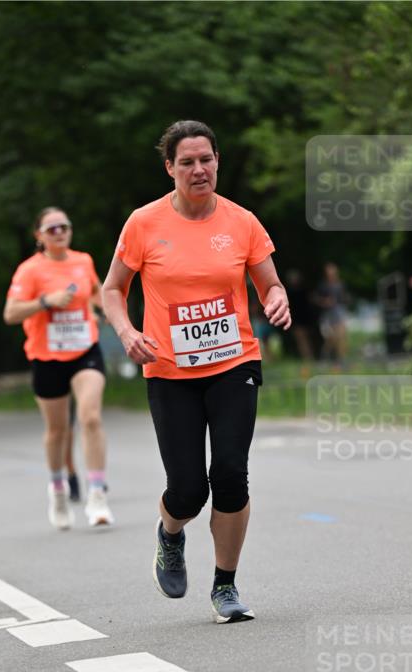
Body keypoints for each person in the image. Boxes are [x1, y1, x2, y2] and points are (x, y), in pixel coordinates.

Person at [103, 120, 291, 623]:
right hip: (168, 369)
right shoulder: (143, 224)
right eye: (186, 161)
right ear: (170, 169)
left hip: (234, 362)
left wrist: (277, 301)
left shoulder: (242, 221)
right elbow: (111, 290)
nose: (198, 169)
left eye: (205, 159)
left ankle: (225, 586)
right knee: (188, 488)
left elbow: (270, 283)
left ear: (217, 161)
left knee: (231, 474)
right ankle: (170, 534)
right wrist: (126, 333)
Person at [3, 206, 113, 528]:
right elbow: (10, 313)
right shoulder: (30, 271)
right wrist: (44, 302)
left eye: (64, 226)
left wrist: (119, 319)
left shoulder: (83, 261)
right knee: (57, 431)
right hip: (46, 357)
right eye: (51, 229)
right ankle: (58, 489)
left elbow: (97, 294)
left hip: (84, 351)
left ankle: (97, 494)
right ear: (39, 236)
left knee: (90, 417)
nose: (59, 232)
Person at [315, 262, 348, 364]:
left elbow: (344, 298)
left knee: (341, 336)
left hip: (339, 312)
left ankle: (341, 360)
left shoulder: (340, 284)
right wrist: (325, 302)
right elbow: (315, 298)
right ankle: (325, 357)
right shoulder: (323, 285)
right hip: (328, 314)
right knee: (331, 338)